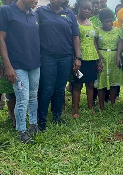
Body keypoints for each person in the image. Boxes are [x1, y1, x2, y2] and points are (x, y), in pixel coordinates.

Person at [36, 0, 81, 131]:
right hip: (47, 56)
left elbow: (75, 36)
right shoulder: (40, 12)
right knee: (47, 88)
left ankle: (57, 116)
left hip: (66, 57)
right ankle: (42, 119)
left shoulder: (69, 13)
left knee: (60, 88)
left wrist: (77, 57)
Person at [0, 0, 40, 143]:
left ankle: (33, 125)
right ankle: (22, 131)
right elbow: (1, 38)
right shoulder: (6, 11)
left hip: (35, 63)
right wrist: (7, 65)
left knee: (33, 96)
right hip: (17, 65)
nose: (36, 0)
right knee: (22, 99)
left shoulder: (34, 15)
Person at [72, 0, 100, 118]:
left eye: (89, 9)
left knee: (90, 84)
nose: (88, 11)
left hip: (92, 59)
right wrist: (75, 58)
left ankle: (90, 107)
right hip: (80, 60)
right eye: (85, 8)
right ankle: (76, 110)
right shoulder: (74, 21)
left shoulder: (92, 23)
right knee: (78, 85)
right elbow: (73, 40)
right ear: (79, 7)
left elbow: (94, 42)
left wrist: (99, 59)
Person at [95, 8, 123, 110]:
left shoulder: (117, 31)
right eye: (107, 21)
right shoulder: (97, 30)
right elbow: (95, 43)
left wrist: (118, 56)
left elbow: (120, 43)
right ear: (102, 21)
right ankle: (101, 105)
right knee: (101, 82)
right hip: (102, 58)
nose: (109, 23)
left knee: (113, 82)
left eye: (111, 20)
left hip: (114, 58)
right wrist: (98, 59)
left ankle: (112, 103)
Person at [0, 0, 16, 128]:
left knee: (12, 88)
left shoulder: (14, 10)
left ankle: (13, 115)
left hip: (11, 55)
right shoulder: (3, 9)